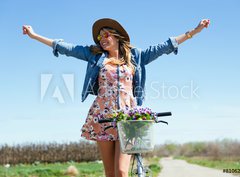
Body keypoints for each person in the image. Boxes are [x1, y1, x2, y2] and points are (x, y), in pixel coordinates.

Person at [23, 18, 210, 177]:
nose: (102, 39)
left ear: (117, 36)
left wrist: (195, 31)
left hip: (127, 119)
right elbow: (66, 48)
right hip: (102, 117)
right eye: (99, 36)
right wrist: (34, 35)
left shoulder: (136, 57)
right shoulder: (95, 56)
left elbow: (165, 46)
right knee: (110, 174)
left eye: (106, 35)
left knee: (121, 172)